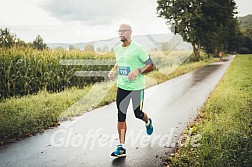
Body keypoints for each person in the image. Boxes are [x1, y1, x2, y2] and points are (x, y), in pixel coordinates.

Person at [108, 23, 154, 158]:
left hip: (136, 88)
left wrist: (137, 70)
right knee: (120, 115)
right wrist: (113, 70)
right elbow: (119, 61)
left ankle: (148, 122)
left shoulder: (138, 49)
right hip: (122, 87)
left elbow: (151, 65)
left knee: (137, 113)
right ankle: (121, 147)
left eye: (123, 31)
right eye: (119, 31)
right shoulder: (117, 49)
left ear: (130, 32)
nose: (120, 33)